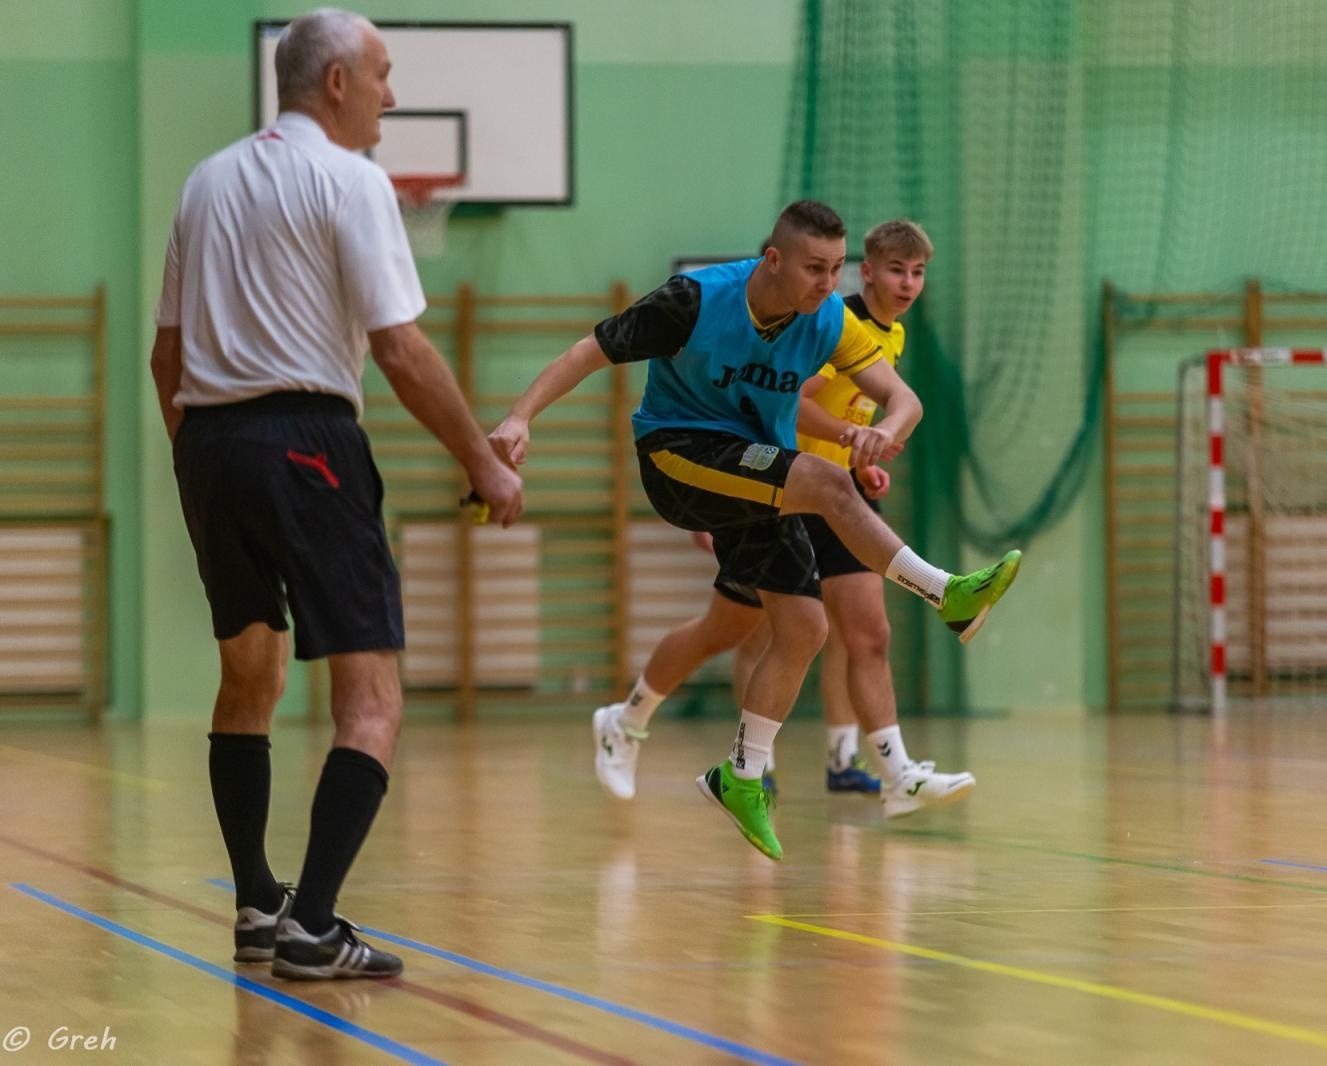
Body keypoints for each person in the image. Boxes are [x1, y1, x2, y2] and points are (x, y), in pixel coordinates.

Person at [151, 8, 522, 980]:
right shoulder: (351, 181)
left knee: (251, 674)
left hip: (207, 442)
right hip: (307, 439)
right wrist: (483, 461)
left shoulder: (205, 180)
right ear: (338, 84)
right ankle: (314, 922)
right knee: (370, 698)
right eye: (385, 74)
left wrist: (203, 457)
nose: (395, 96)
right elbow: (399, 347)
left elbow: (165, 355)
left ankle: (256, 903)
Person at [489, 200, 1020, 861]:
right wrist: (519, 418)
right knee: (828, 489)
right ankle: (947, 594)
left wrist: (882, 433)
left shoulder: (828, 319)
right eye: (813, 269)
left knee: (802, 628)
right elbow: (588, 352)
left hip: (761, 478)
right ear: (773, 260)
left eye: (835, 270)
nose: (827, 285)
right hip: (678, 454)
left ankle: (737, 774)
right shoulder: (694, 299)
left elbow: (901, 398)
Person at [631, 222, 974, 817]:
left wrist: (863, 458)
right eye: (896, 270)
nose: (908, 283)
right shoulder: (833, 326)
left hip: (836, 494)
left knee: (858, 633)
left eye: (917, 273)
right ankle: (654, 724)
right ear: (863, 271)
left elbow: (882, 409)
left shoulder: (889, 336)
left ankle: (878, 769)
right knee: (742, 631)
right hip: (788, 490)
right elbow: (794, 403)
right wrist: (841, 440)